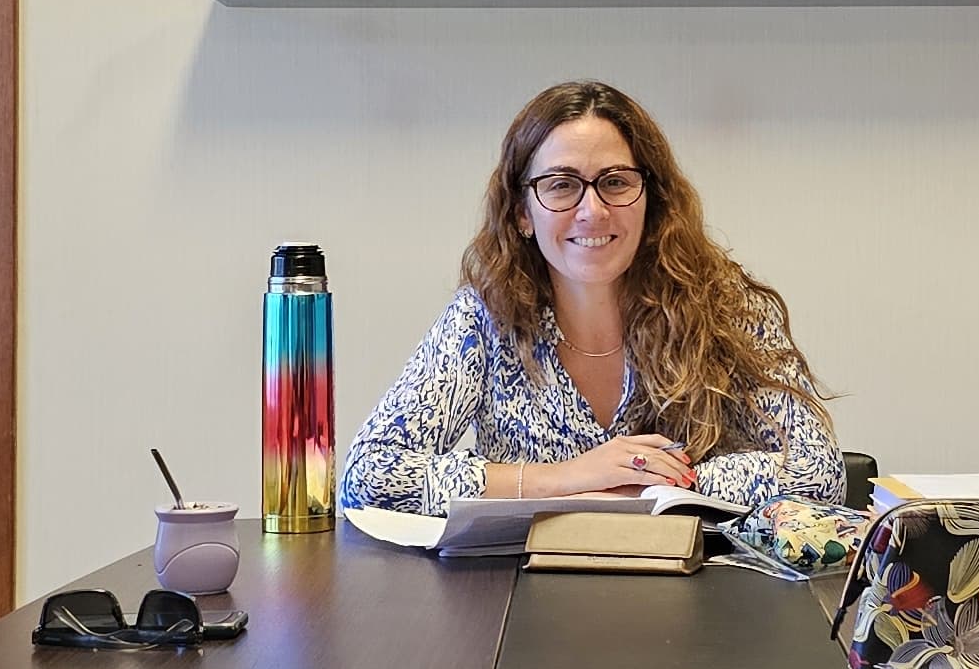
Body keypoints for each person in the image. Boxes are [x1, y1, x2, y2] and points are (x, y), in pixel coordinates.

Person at [342, 81, 837, 513]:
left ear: (653, 200)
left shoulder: (728, 308)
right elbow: (369, 476)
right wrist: (574, 476)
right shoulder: (485, 317)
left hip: (697, 596)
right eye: (561, 186)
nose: (592, 211)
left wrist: (646, 485)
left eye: (615, 182)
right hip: (523, 601)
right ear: (521, 214)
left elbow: (819, 472)